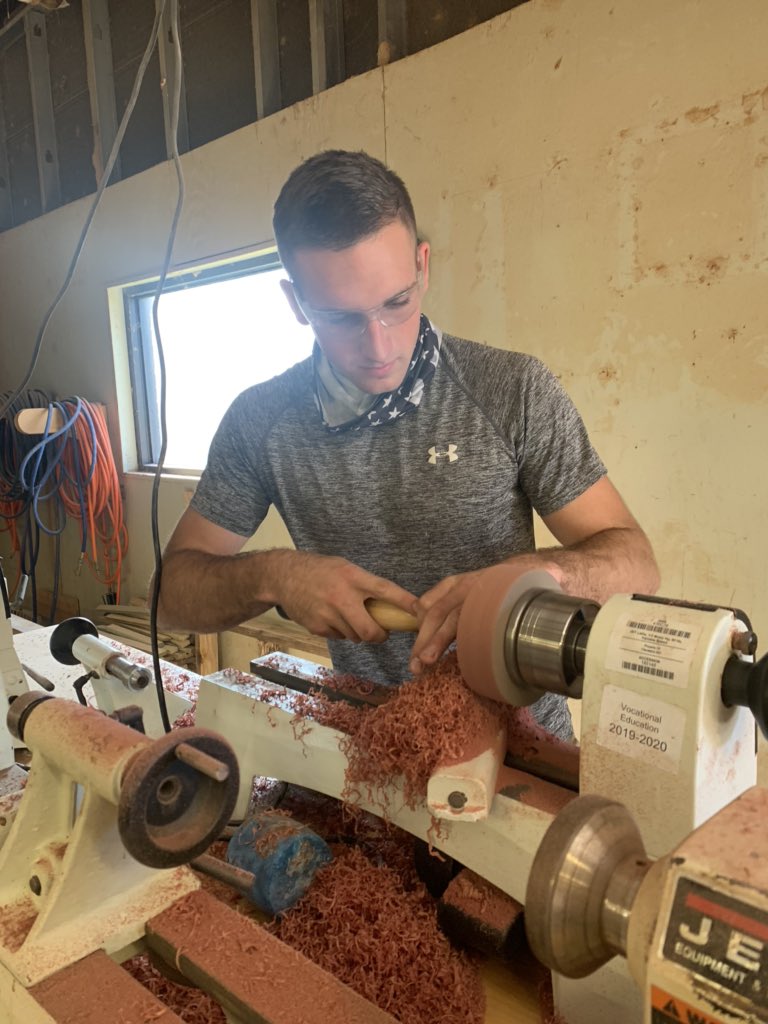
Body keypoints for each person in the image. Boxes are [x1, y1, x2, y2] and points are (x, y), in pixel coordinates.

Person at [157, 149, 659, 738]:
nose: (379, 345)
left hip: (523, 741)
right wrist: (276, 576)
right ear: (295, 304)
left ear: (422, 267)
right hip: (371, 736)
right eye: (341, 318)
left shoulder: (511, 390)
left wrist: (529, 577)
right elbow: (170, 596)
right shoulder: (261, 420)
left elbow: (637, 565)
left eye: (397, 302)